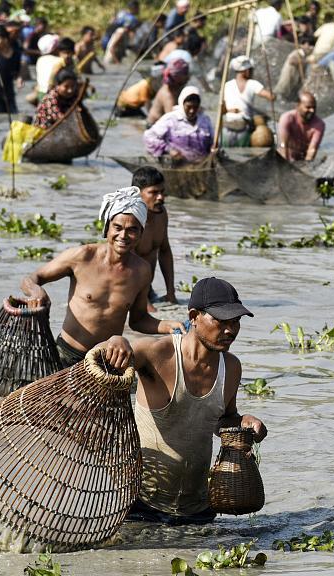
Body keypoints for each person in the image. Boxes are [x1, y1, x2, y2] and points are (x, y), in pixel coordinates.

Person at [107, 276, 266, 524]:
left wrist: (245, 421)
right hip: (141, 505)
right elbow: (105, 360)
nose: (230, 330)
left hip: (199, 508)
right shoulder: (157, 354)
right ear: (193, 316)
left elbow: (223, 419)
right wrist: (115, 340)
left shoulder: (231, 367)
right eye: (221, 321)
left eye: (235, 322)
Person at [20, 187, 175, 368]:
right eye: (117, 227)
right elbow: (32, 278)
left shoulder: (141, 271)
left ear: (141, 233)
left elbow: (138, 319)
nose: (123, 236)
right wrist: (36, 291)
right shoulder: (83, 256)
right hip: (66, 354)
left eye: (132, 230)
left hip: (106, 361)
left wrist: (167, 326)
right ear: (107, 228)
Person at [130, 167, 178, 309]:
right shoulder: (130, 221)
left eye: (162, 192)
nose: (160, 197)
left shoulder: (161, 214)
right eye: (153, 193)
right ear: (137, 194)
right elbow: (127, 265)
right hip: (125, 288)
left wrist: (171, 292)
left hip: (146, 290)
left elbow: (164, 251)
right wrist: (144, 304)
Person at [144, 86, 213, 162]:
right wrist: (168, 150)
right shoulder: (171, 119)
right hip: (175, 164)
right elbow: (149, 136)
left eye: (195, 107)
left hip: (201, 165)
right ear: (182, 103)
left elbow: (212, 142)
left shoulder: (205, 120)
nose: (192, 111)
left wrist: (213, 148)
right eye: (188, 107)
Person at [221, 56, 275, 147]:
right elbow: (270, 97)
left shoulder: (227, 85)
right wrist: (272, 94)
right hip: (244, 127)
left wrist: (231, 111)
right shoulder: (252, 84)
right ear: (246, 71)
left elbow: (223, 108)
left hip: (227, 127)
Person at [277, 91, 324, 161]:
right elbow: (283, 145)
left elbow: (312, 149)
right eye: (308, 107)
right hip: (285, 157)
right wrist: (285, 165)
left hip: (302, 159)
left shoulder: (319, 124)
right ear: (298, 106)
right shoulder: (286, 118)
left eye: (314, 107)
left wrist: (307, 165)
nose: (312, 110)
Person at [0, 24, 21, 113]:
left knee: (14, 116)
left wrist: (19, 79)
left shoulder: (16, 54)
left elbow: (16, 72)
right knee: (0, 118)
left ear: (5, 40)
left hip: (9, 93)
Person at [147, 58, 190, 126]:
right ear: (177, 78)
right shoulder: (167, 95)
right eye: (186, 74)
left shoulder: (177, 86)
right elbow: (173, 120)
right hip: (154, 126)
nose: (188, 77)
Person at [32, 33, 60, 102]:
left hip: (41, 93)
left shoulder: (40, 60)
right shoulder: (59, 60)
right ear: (55, 48)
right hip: (53, 93)